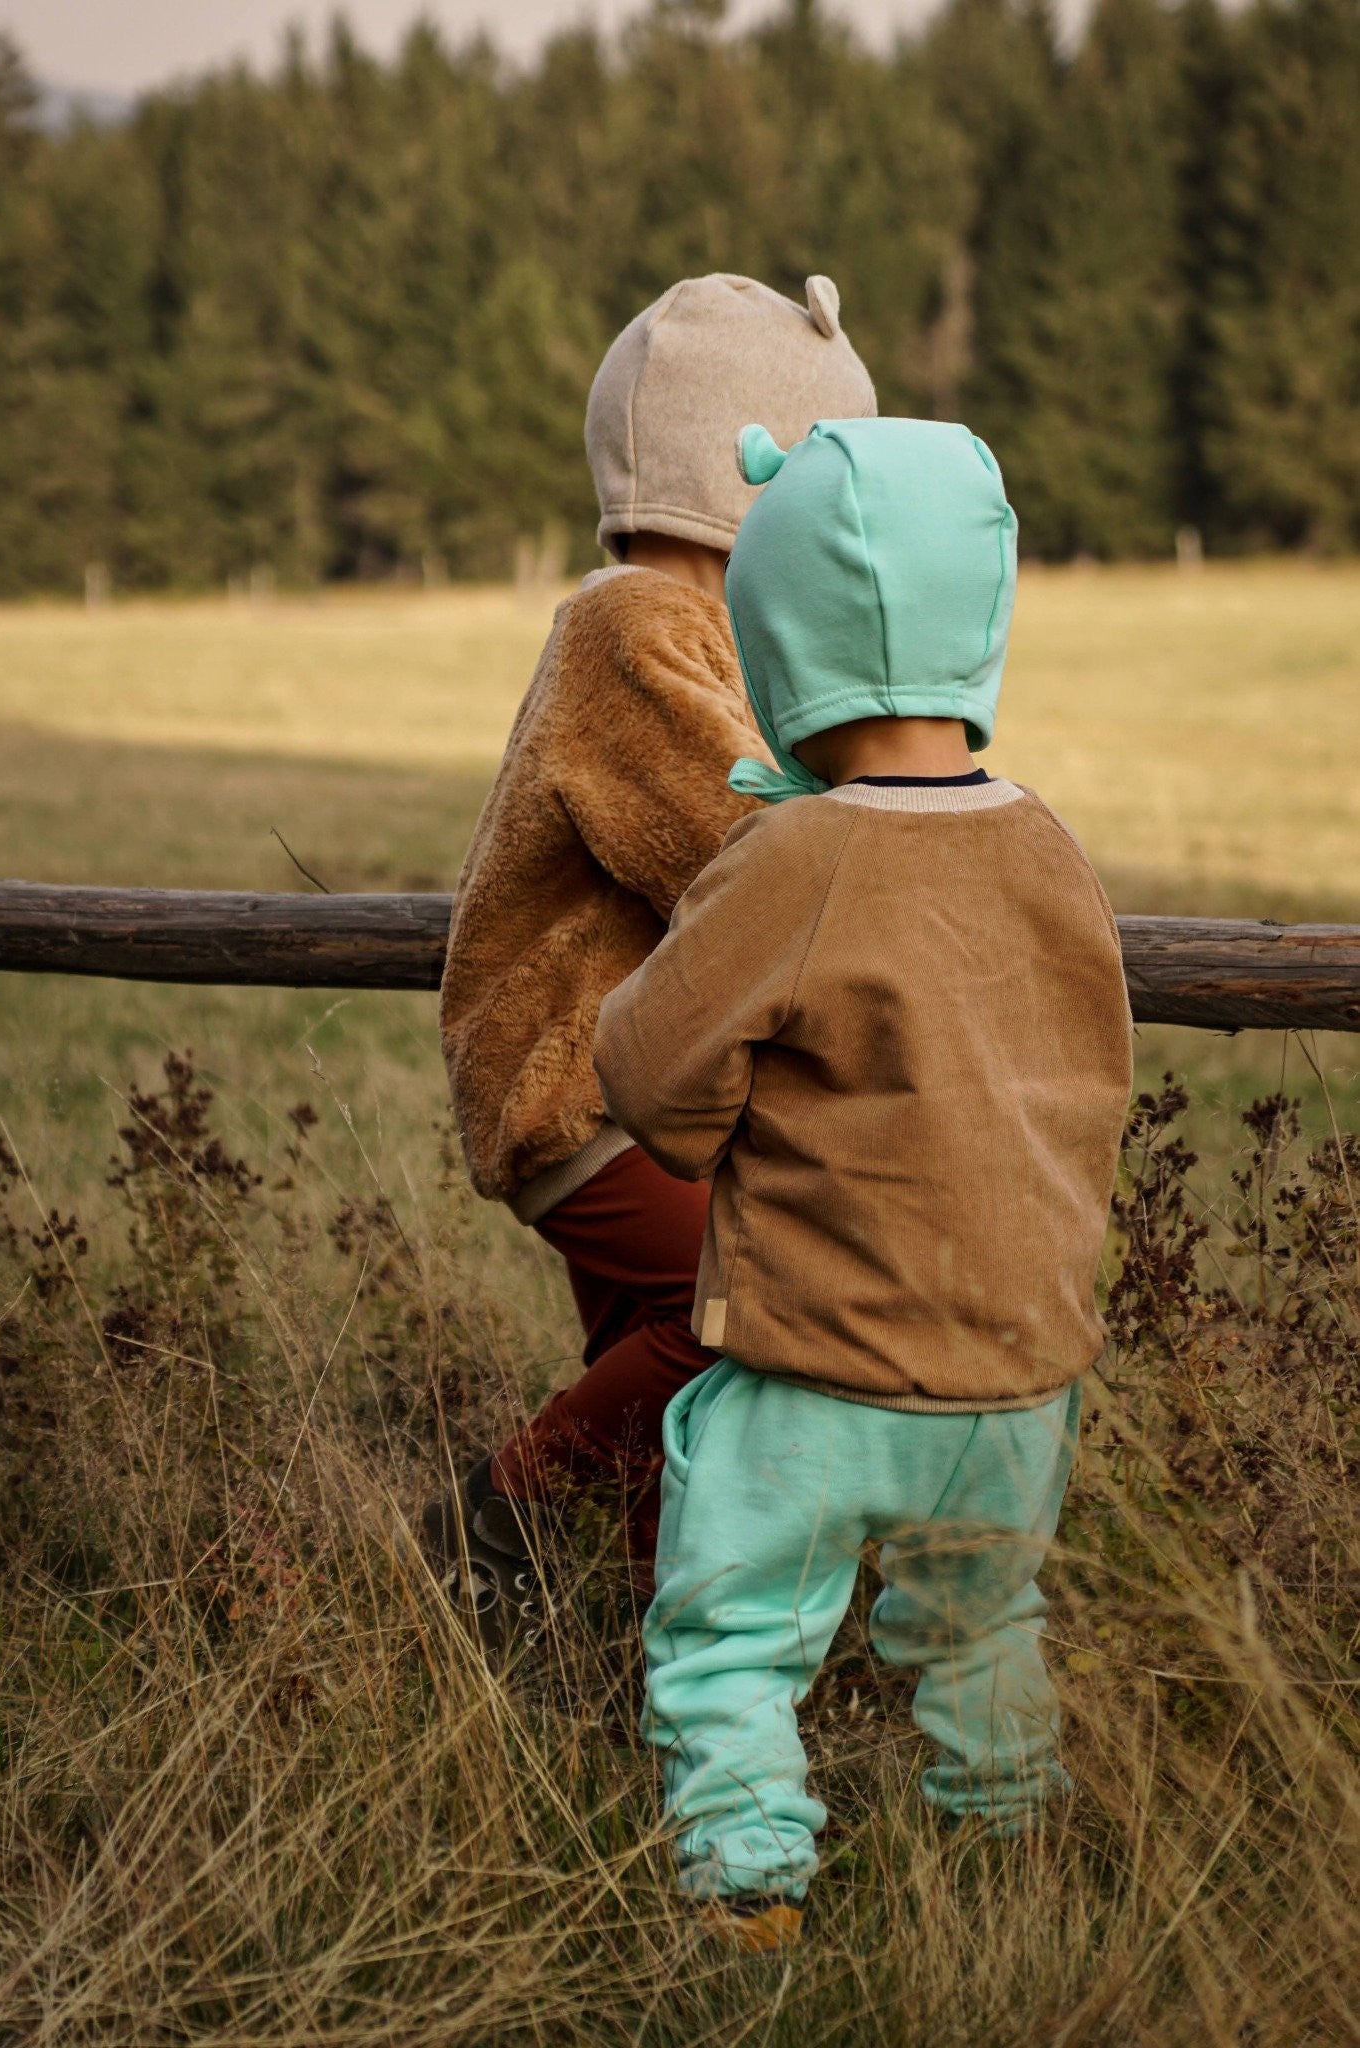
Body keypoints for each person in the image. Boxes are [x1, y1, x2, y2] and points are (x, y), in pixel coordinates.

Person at [593, 416, 1134, 1950]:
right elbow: (1089, 1071)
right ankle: (1011, 1872)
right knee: (983, 1638)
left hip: (819, 1374)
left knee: (732, 1641)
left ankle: (749, 1891)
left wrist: (711, 1128)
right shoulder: (1051, 850)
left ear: (779, 645)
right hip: (1021, 1380)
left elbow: (648, 1072)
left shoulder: (795, 858)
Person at [429, 275, 877, 1645]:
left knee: (664, 1368)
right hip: (576, 1084)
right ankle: (501, 1507)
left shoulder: (685, 629)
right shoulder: (631, 627)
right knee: (755, 1301)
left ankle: (628, 1621)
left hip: (638, 1077)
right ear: (753, 486)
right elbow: (729, 843)